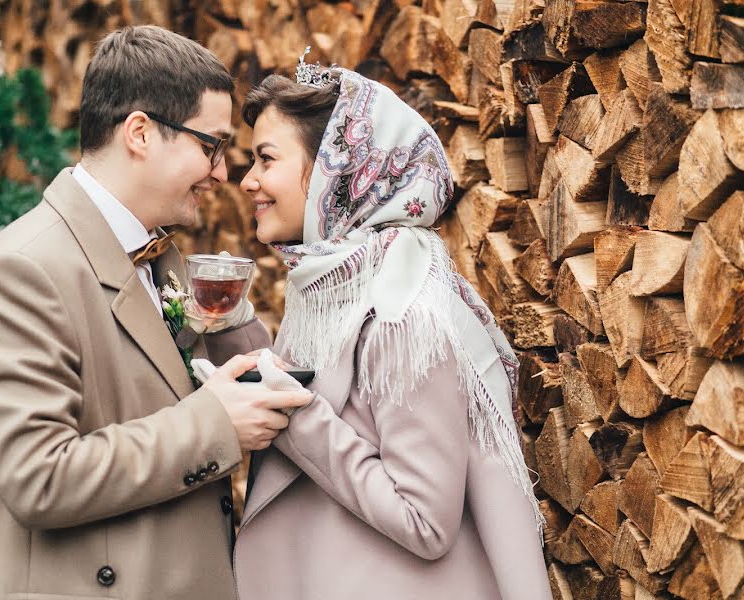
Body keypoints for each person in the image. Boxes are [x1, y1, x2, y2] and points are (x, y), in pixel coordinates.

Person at [0, 26, 311, 599]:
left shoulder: (162, 256)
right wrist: (215, 425)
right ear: (140, 133)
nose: (222, 173)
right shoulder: (23, 270)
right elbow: (38, 478)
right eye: (210, 146)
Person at [233, 58, 553, 600]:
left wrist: (295, 413)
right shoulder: (332, 284)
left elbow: (425, 521)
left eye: (266, 159)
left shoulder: (401, 310)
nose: (248, 181)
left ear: (339, 172)